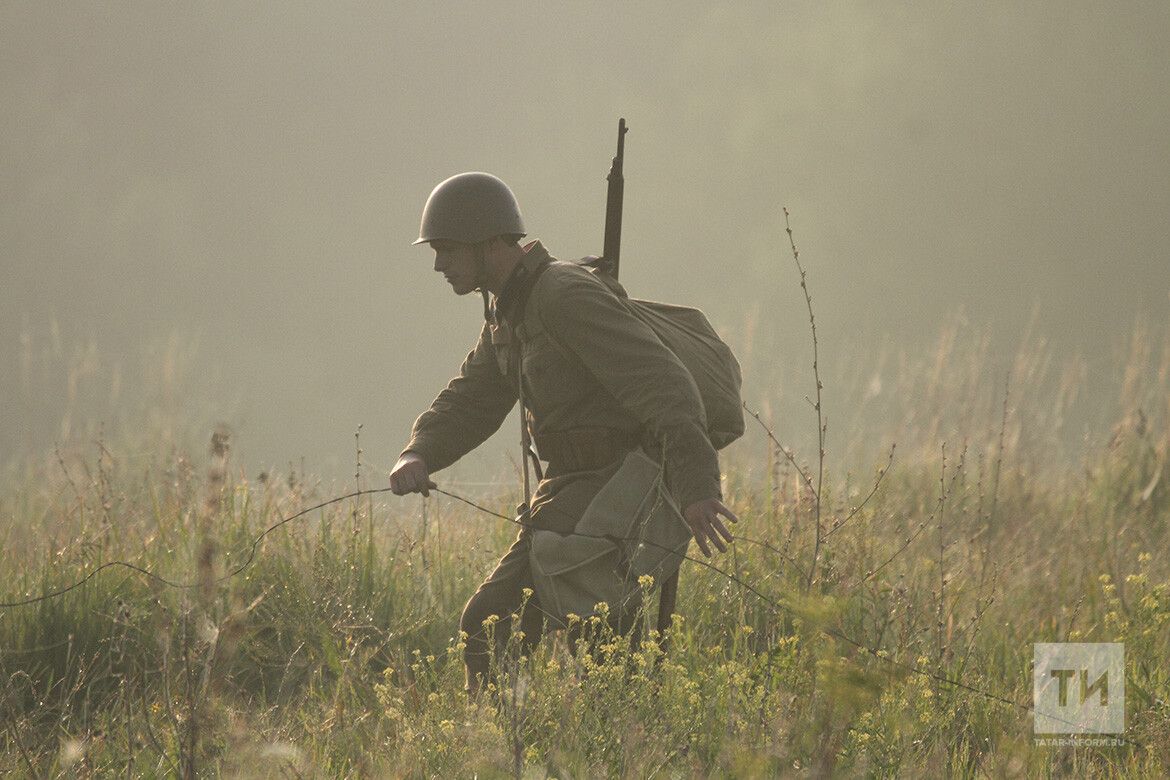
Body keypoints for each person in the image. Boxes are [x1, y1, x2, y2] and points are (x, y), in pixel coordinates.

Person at [390, 172, 737, 697]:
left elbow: (666, 386)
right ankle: (519, 749)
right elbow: (474, 398)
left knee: (563, 634)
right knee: (498, 627)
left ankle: (610, 748)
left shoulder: (562, 295)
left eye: (447, 249)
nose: (439, 264)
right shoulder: (510, 312)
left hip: (622, 485)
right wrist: (419, 452)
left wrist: (696, 489)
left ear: (490, 244)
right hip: (573, 489)